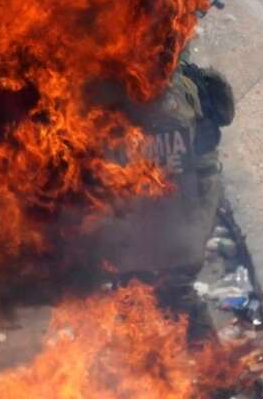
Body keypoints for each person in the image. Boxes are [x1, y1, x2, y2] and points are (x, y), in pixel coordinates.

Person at [81, 63, 232, 342]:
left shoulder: (187, 87)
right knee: (145, 297)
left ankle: (211, 374)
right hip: (146, 226)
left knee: (166, 294)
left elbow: (208, 160)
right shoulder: (106, 98)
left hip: (172, 224)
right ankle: (167, 370)